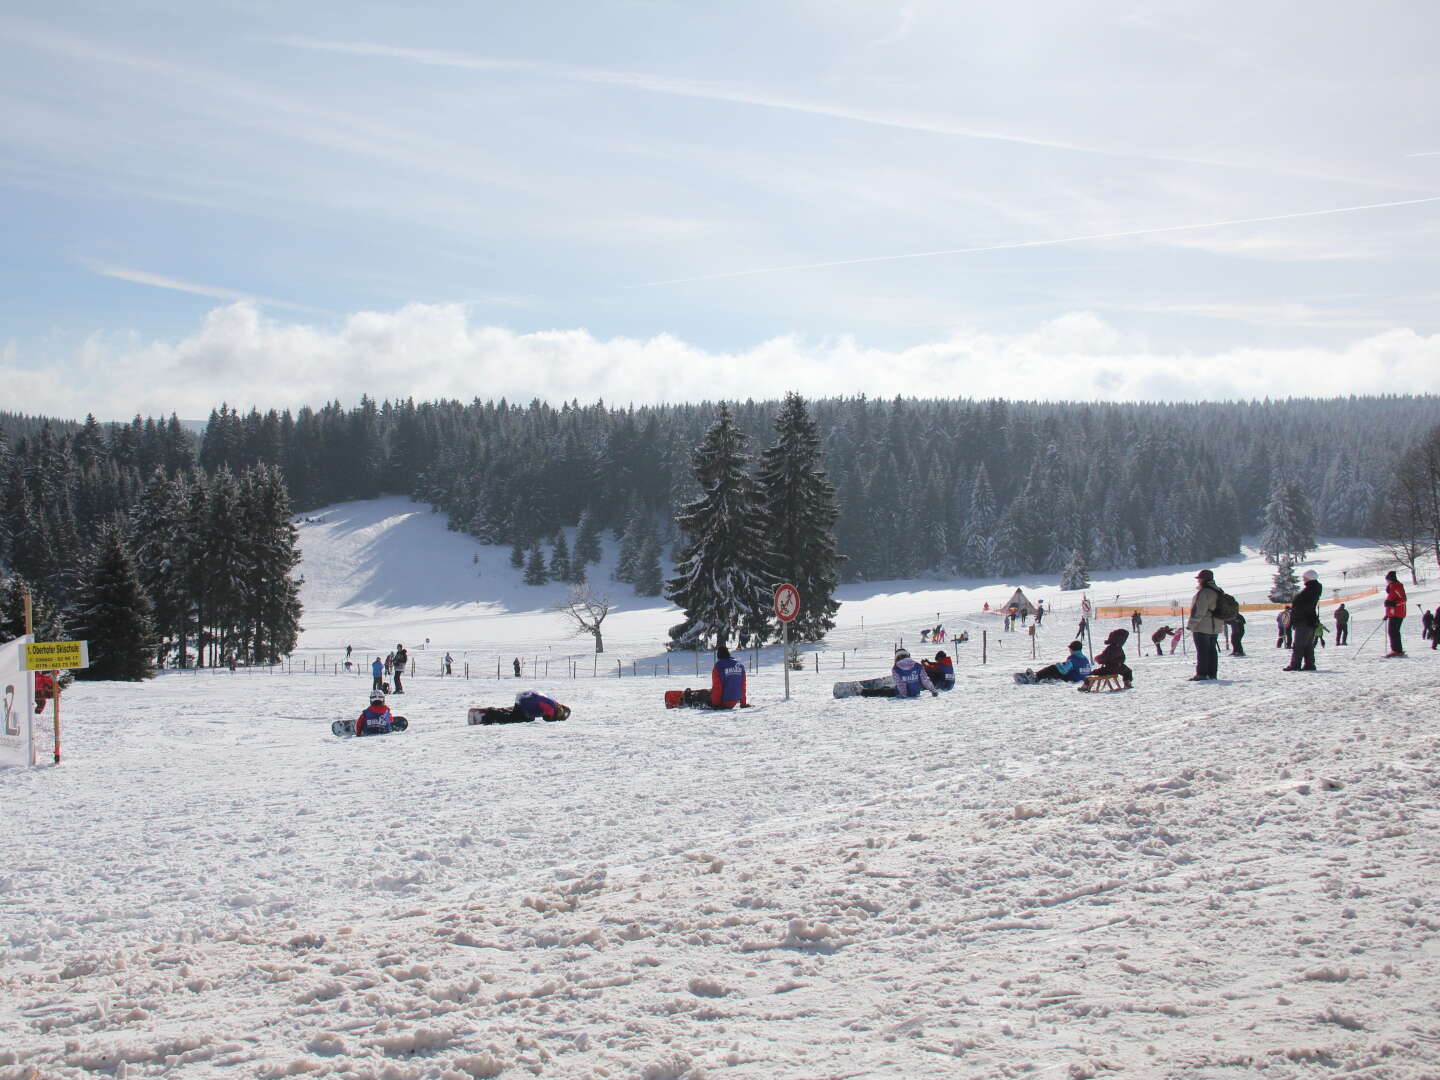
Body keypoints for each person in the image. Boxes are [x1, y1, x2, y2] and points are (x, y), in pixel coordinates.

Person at [1187, 569, 1222, 681]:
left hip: (1202, 626)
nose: (1198, 581)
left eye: (1199, 579)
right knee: (1212, 651)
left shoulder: (1204, 592)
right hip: (1215, 626)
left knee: (1202, 651)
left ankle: (1201, 674)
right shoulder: (1219, 591)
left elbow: (1199, 611)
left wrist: (1191, 624)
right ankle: (1212, 674)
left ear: (1204, 579)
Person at [1284, 569, 1321, 671]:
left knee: (1299, 645)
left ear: (1309, 578)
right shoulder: (1313, 589)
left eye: (1304, 577)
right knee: (1308, 644)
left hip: (1304, 621)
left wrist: (1295, 617)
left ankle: (1295, 665)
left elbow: (1302, 607)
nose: (1303, 579)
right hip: (1310, 620)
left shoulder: (1309, 591)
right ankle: (1309, 664)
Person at [861, 648, 937, 698]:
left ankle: (863, 692)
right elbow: (925, 680)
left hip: (900, 693)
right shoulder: (918, 666)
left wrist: (903, 695)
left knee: (882, 691)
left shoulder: (896, 668)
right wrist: (933, 690)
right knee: (887, 688)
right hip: (915, 693)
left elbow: (900, 683)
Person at [1023, 641, 1091, 684]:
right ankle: (1044, 677)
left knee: (1053, 668)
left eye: (1070, 649)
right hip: (1082, 678)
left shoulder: (1072, 659)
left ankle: (1036, 677)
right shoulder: (1085, 659)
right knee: (1064, 665)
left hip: (1073, 679)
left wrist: (1058, 665)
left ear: (1072, 649)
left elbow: (1063, 671)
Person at [1383, 570, 1407, 657]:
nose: (1387, 581)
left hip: (1398, 613)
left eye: (1388, 580)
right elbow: (1391, 601)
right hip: (1394, 613)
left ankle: (1396, 651)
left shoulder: (1397, 586)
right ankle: (1397, 650)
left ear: (1391, 579)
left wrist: (1393, 603)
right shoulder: (1392, 587)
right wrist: (1387, 614)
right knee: (1394, 632)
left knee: (1393, 632)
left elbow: (1403, 599)